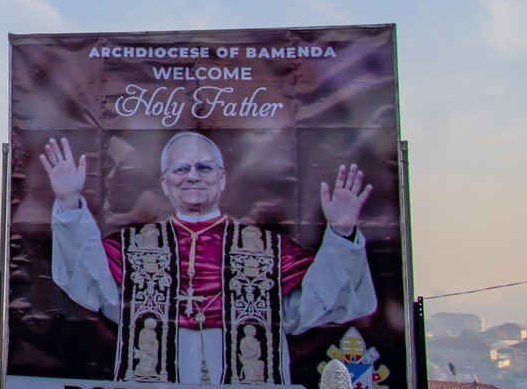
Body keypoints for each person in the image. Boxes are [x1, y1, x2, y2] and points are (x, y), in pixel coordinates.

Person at [43, 132, 376, 385]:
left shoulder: (267, 249)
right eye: (181, 169)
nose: (193, 176)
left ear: (223, 178)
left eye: (204, 167)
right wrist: (70, 203)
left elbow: (309, 309)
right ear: (164, 183)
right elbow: (90, 286)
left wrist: (342, 235)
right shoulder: (133, 247)